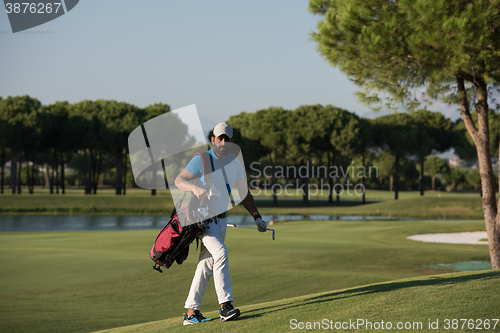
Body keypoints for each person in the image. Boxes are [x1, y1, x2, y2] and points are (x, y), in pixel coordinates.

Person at [174, 122, 267, 325]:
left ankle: (191, 312)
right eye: (220, 138)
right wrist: (195, 189)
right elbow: (179, 180)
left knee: (206, 265)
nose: (223, 142)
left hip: (221, 221)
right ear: (213, 139)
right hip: (202, 220)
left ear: (232, 142)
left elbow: (244, 193)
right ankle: (225, 306)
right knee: (221, 253)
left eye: (227, 139)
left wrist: (257, 217)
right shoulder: (202, 160)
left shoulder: (235, 163)